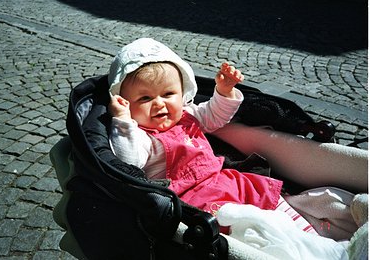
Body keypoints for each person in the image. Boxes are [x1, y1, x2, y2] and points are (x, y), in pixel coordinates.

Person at [107, 38, 317, 235]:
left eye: (168, 94)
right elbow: (128, 161)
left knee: (263, 194)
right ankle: (276, 241)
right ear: (125, 102)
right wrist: (123, 121)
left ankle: (310, 235)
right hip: (193, 198)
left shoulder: (189, 115)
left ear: (182, 94)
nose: (160, 103)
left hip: (224, 180)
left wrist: (224, 92)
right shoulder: (142, 137)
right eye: (145, 98)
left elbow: (216, 115)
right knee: (240, 226)